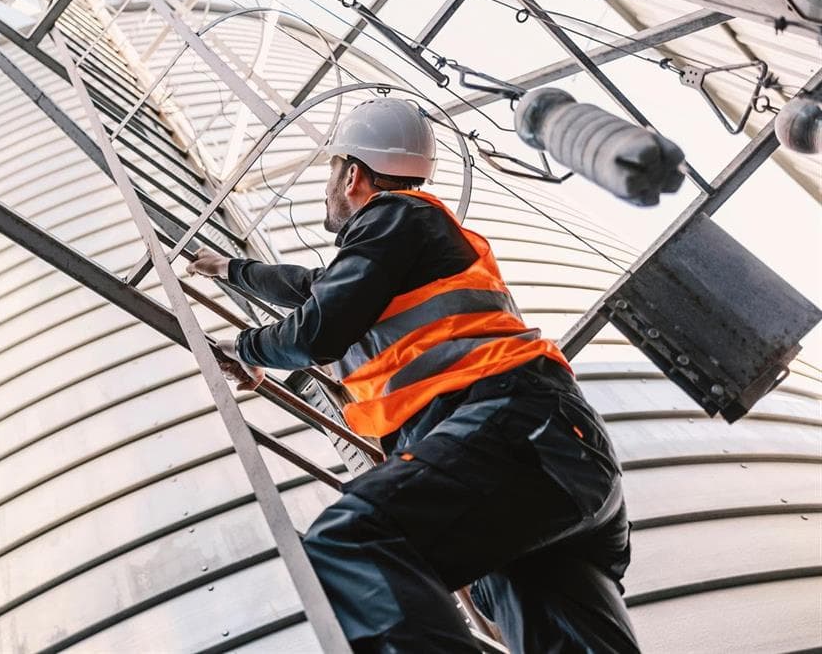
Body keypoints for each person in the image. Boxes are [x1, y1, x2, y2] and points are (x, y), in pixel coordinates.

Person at [185, 99, 639, 653]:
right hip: (552, 463)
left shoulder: (395, 214)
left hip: (509, 430)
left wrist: (251, 347)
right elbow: (314, 289)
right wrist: (232, 270)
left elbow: (317, 328)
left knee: (355, 540)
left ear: (353, 174)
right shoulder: (407, 243)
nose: (330, 186)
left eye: (333, 172)